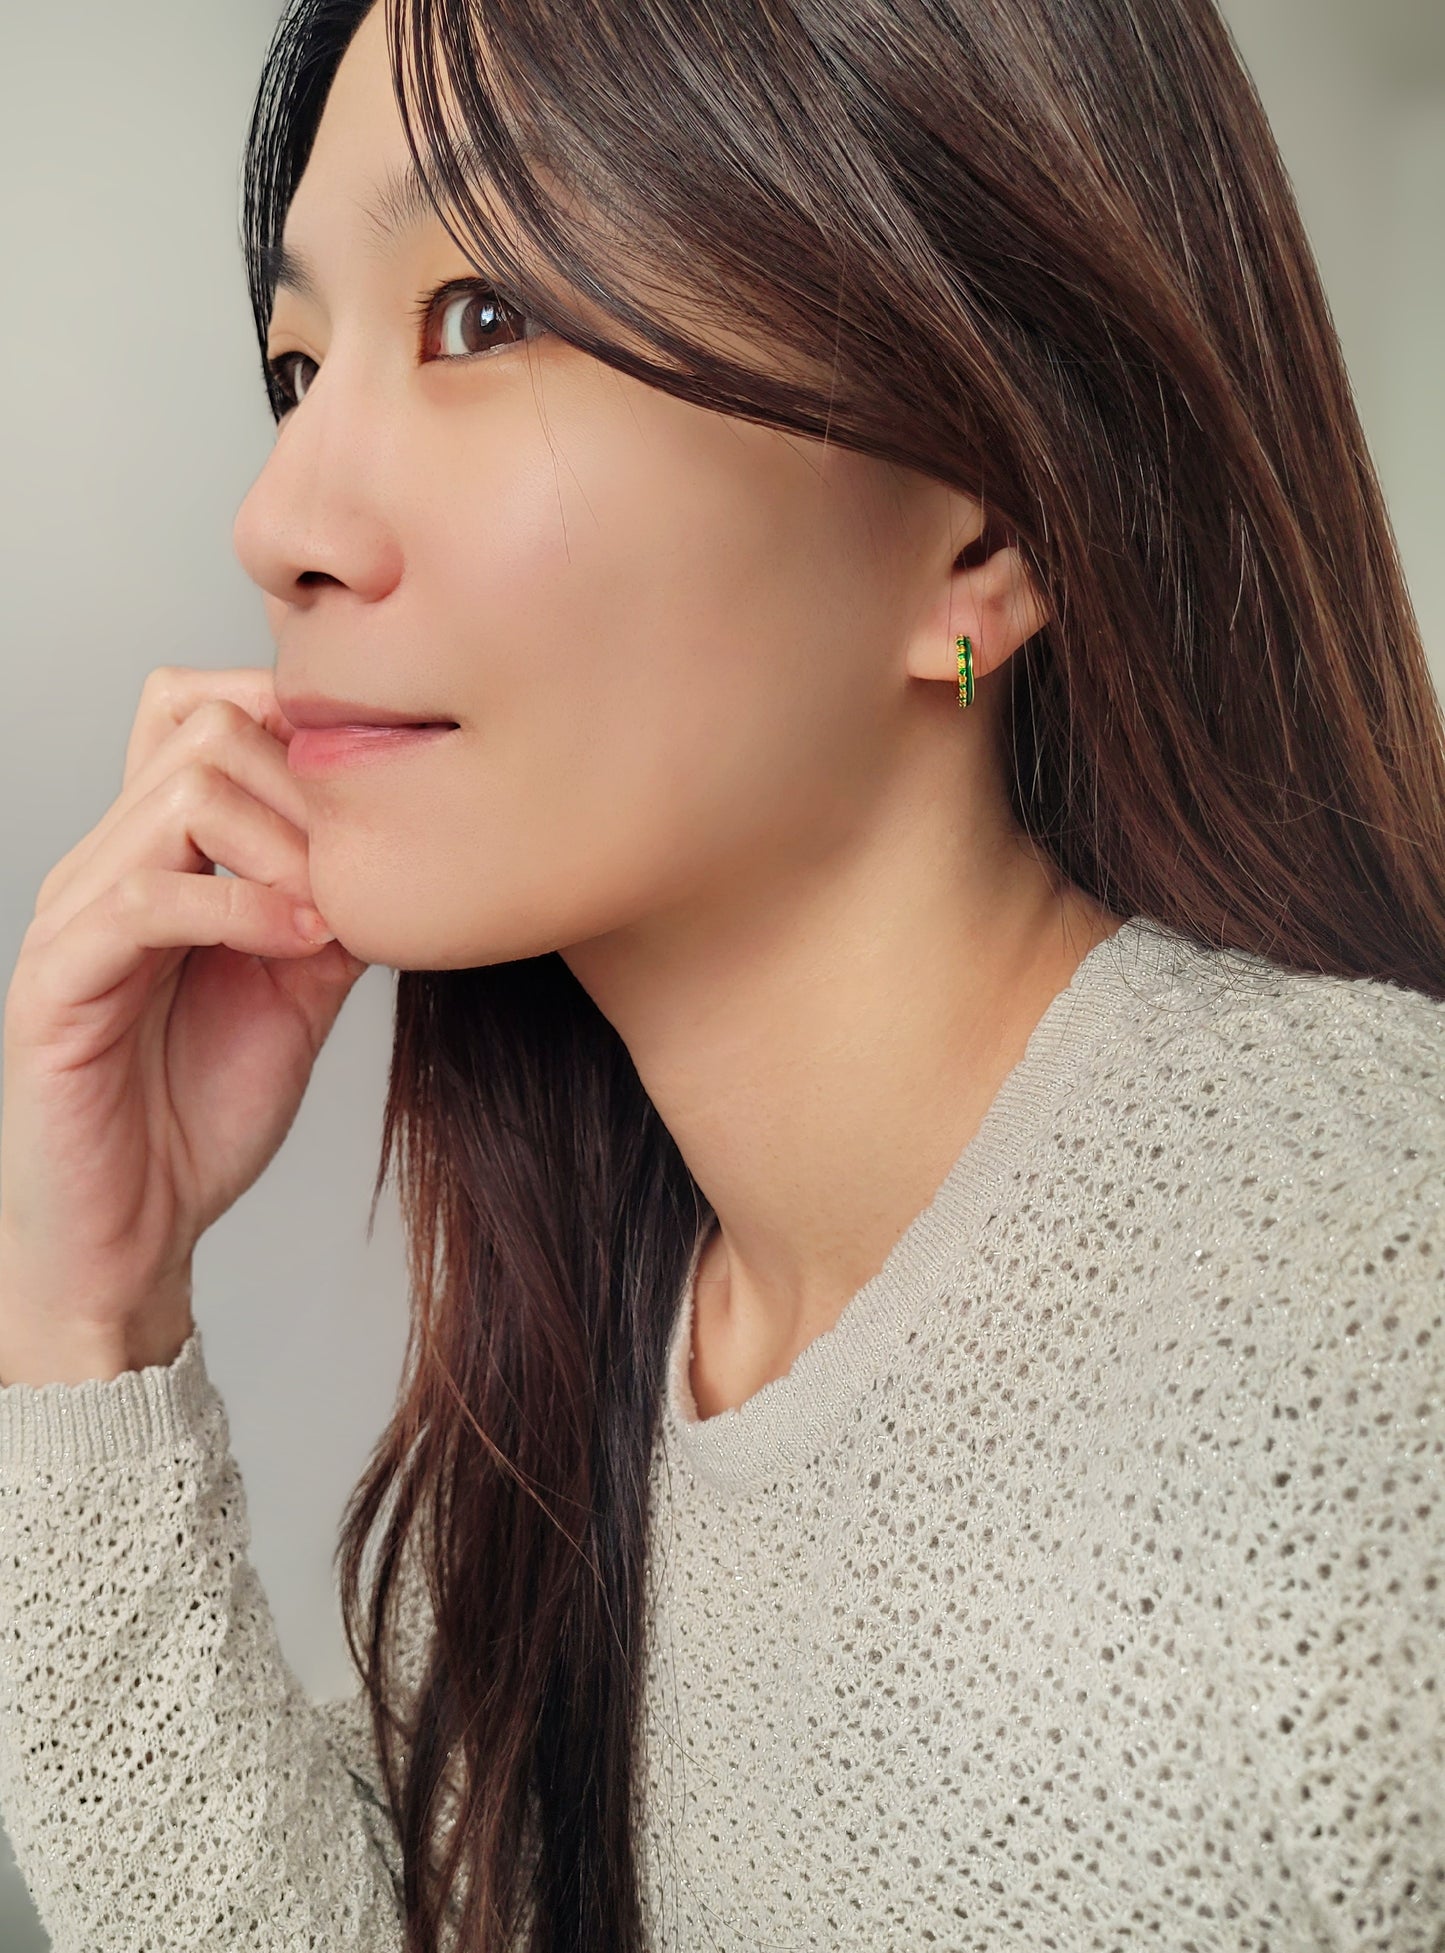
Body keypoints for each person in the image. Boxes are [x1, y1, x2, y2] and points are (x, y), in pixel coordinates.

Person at [0, 0, 1441, 1945]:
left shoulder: (1367, 1285)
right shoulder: (579, 1405)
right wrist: (84, 1309)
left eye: (482, 316)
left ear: (980, 522)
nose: (280, 524)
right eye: (297, 358)